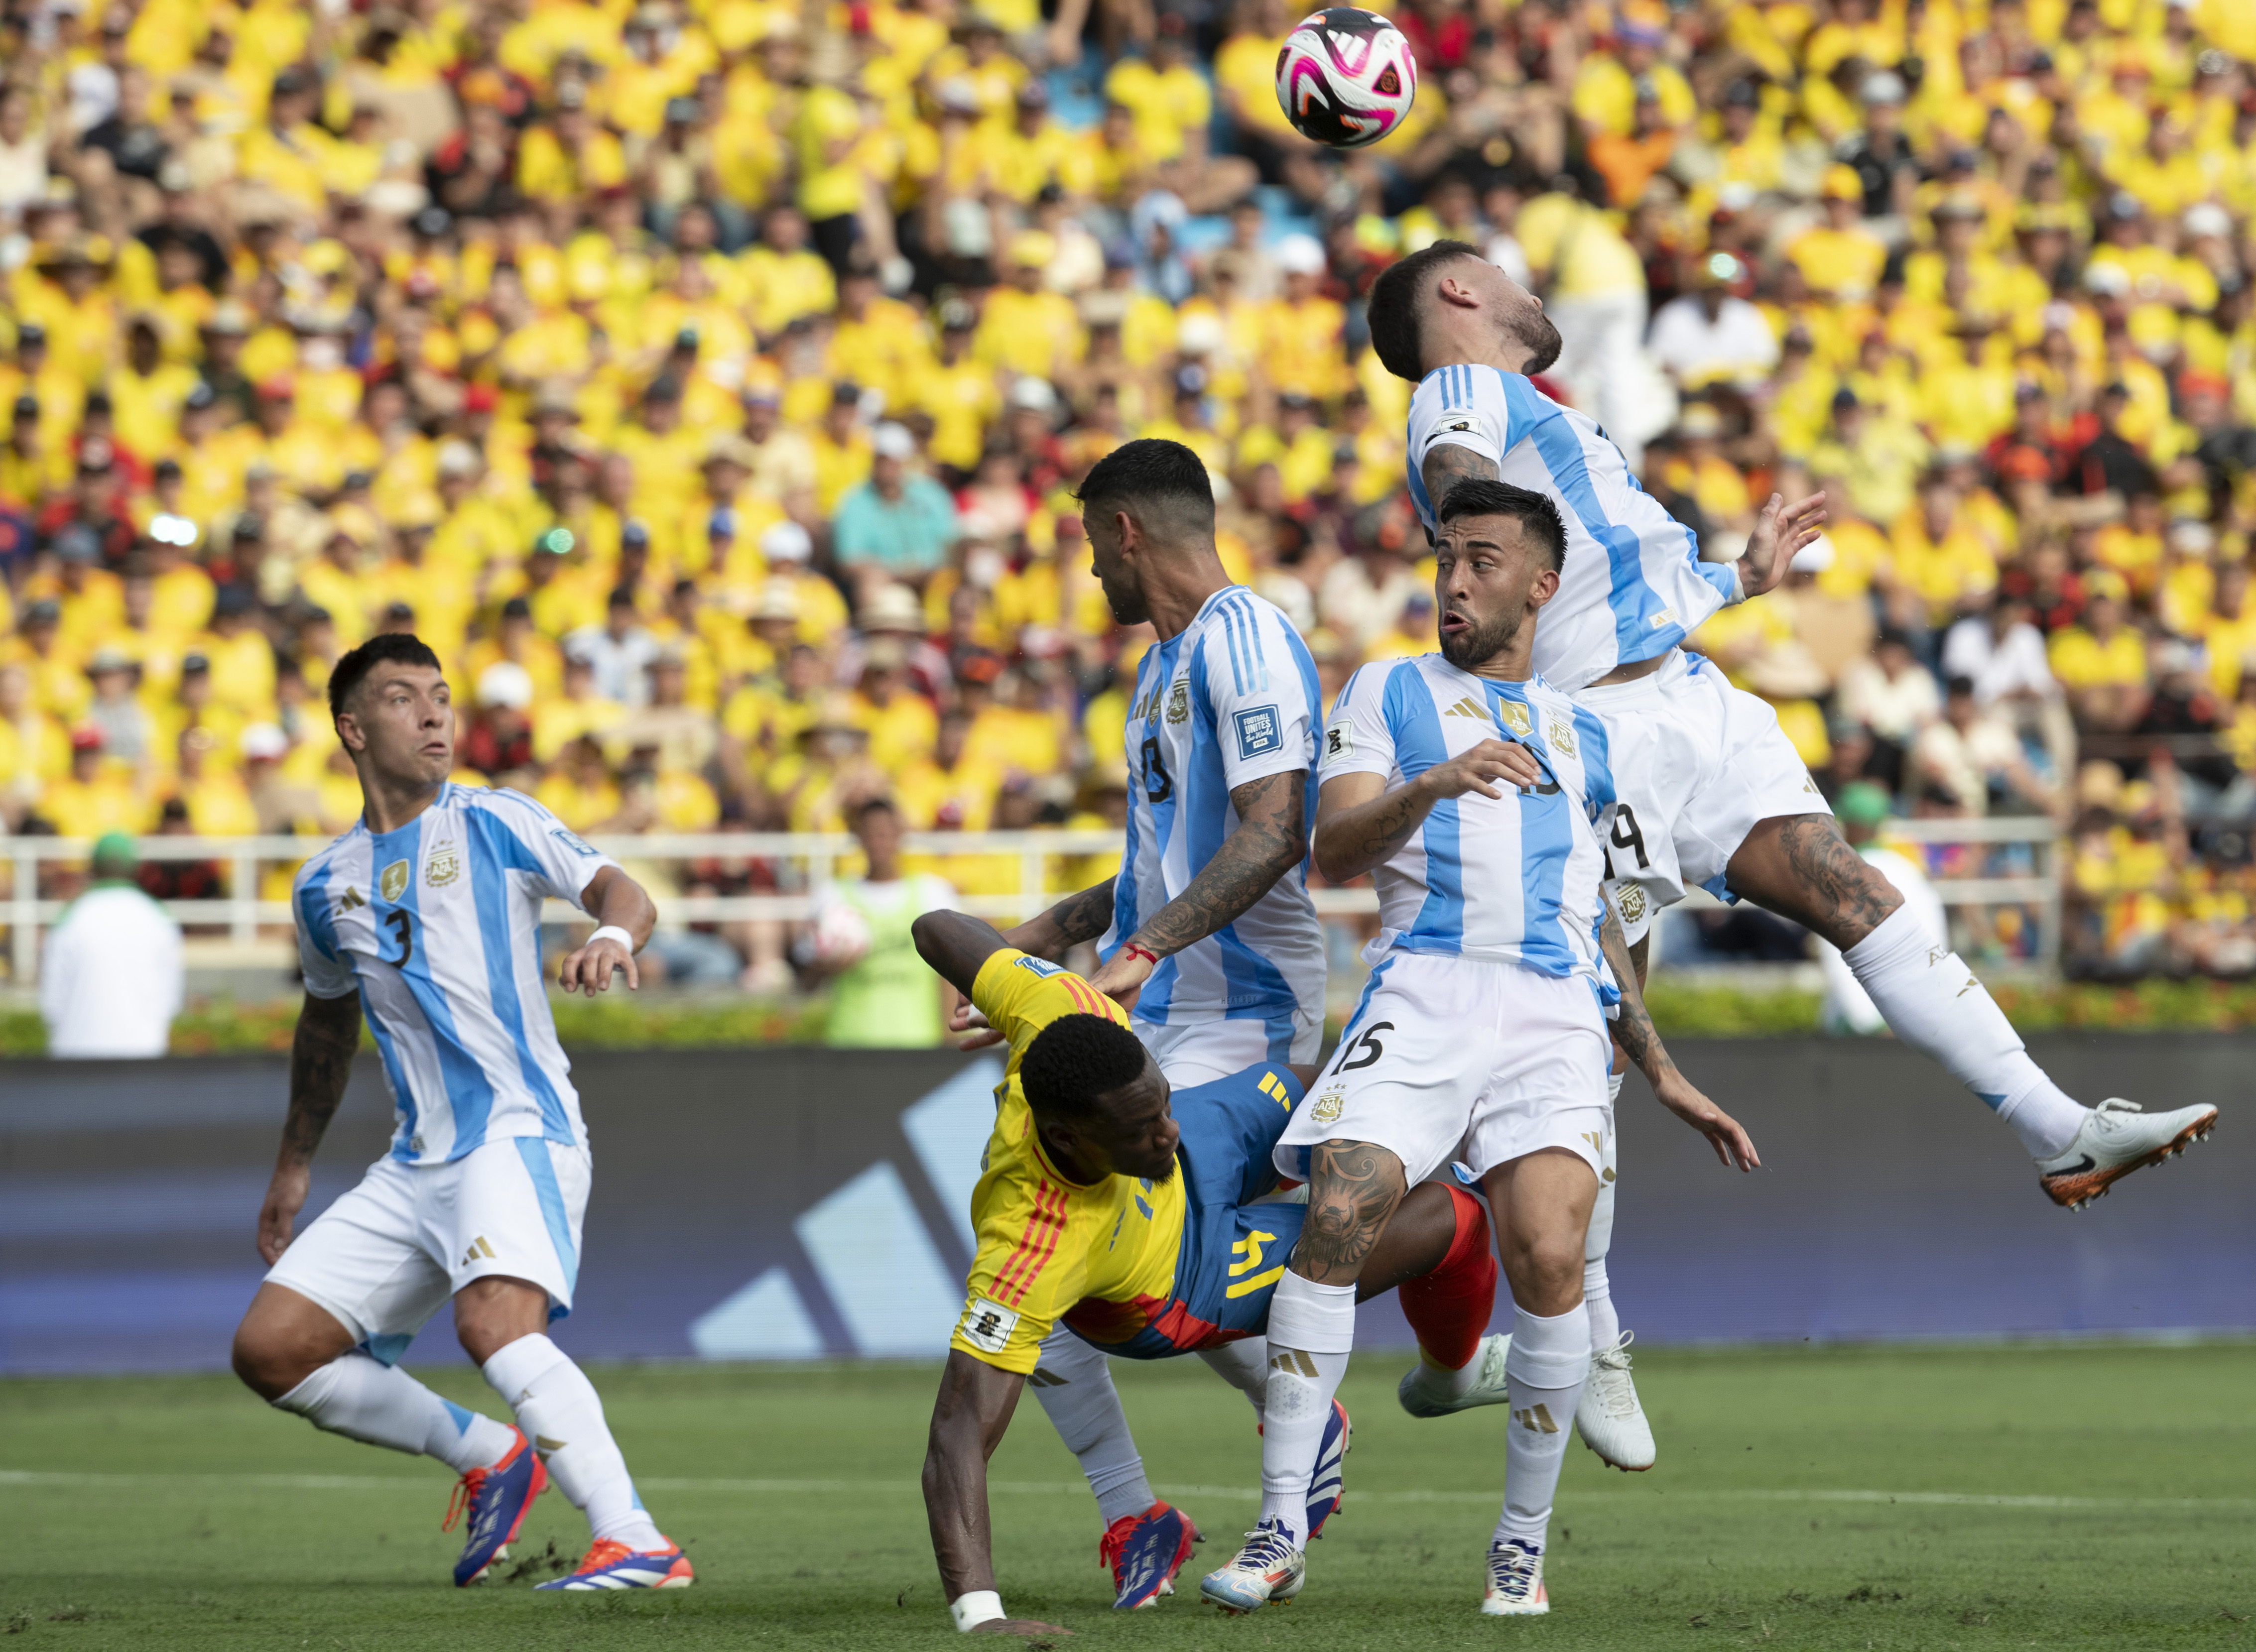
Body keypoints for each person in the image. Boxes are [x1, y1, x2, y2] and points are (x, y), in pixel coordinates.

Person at [1366, 239, 2218, 1468]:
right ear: (1458, 297)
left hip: (1692, 699)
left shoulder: (1550, 415)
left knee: (1857, 894)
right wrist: (1475, 566)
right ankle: (1587, 1332)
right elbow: (1459, 489)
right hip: (1604, 725)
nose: (1526, 286)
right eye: (1502, 272)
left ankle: (2057, 1129)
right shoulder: (1464, 393)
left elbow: (1618, 574)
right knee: (1594, 1028)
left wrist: (1739, 576)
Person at [1200, 479, 1756, 1619]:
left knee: (1550, 1259)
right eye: (1447, 558)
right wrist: (1434, 783)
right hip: (1425, 992)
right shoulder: (1391, 690)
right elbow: (1337, 849)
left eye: (1484, 561)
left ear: (1540, 586)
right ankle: (1276, 1527)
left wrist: (1657, 1067)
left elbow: (1598, 919)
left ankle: (1519, 1550)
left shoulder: (1587, 733)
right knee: (1341, 1215)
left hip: (1553, 1014)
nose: (1456, 580)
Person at [945, 438, 1329, 1606]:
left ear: (1126, 531)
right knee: (1034, 1248)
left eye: (1087, 546)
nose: (1089, 577)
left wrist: (1139, 956)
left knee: (1125, 1253)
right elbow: (1145, 875)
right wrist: (1032, 950)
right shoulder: (1160, 673)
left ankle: (1308, 1414)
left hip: (1245, 1012)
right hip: (1163, 1004)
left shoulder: (1246, 638)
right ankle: (1140, 1516)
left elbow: (1274, 829)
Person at [227, 634, 693, 1594]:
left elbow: (621, 888)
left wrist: (610, 934)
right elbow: (326, 1028)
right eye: (405, 698)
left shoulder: (495, 821)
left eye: (441, 695)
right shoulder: (324, 886)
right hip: (415, 1162)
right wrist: (292, 1166)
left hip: (516, 1130)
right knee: (271, 1349)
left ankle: (635, 1536)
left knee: (494, 1322)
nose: (436, 713)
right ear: (353, 729)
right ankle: (491, 1454)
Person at [910, 909, 1508, 1636]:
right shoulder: (1029, 1243)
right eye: (1140, 1125)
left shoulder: (1062, 1008)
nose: (1162, 1128)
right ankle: (1449, 1372)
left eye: (1156, 1101)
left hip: (1205, 1148)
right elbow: (956, 1436)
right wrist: (980, 1616)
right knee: (1452, 1216)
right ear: (1067, 1137)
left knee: (1335, 1094)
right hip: (1181, 1280)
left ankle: (1423, 1369)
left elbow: (934, 924)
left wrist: (1018, 951)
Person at [807, 796, 960, 1046]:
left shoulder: (933, 893)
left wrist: (950, 1042)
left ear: (900, 835)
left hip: (918, 1044)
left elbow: (948, 977)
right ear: (859, 838)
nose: (878, 842)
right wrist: (827, 965)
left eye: (884, 833)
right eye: (870, 834)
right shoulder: (832, 896)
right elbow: (808, 982)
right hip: (849, 1042)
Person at [39, 829, 181, 1057]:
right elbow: (169, 999)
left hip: (76, 1056)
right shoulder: (159, 918)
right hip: (143, 1055)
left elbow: (52, 1000)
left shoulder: (70, 917)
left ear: (93, 868)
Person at [1819, 784, 1946, 1035]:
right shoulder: (1909, 871)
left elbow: (1838, 958)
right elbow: (1936, 944)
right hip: (1917, 1018)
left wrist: (1870, 1024)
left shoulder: (1840, 876)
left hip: (1860, 1030)